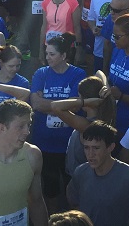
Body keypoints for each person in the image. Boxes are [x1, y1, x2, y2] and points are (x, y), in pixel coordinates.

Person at [29, 33, 84, 207]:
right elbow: (36, 104)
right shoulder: (41, 73)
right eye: (46, 53)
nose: (47, 57)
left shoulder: (78, 74)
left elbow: (76, 106)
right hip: (44, 143)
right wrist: (63, 104)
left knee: (73, 187)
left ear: (64, 56)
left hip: (69, 144)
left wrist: (48, 103)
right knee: (50, 189)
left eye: (52, 54)